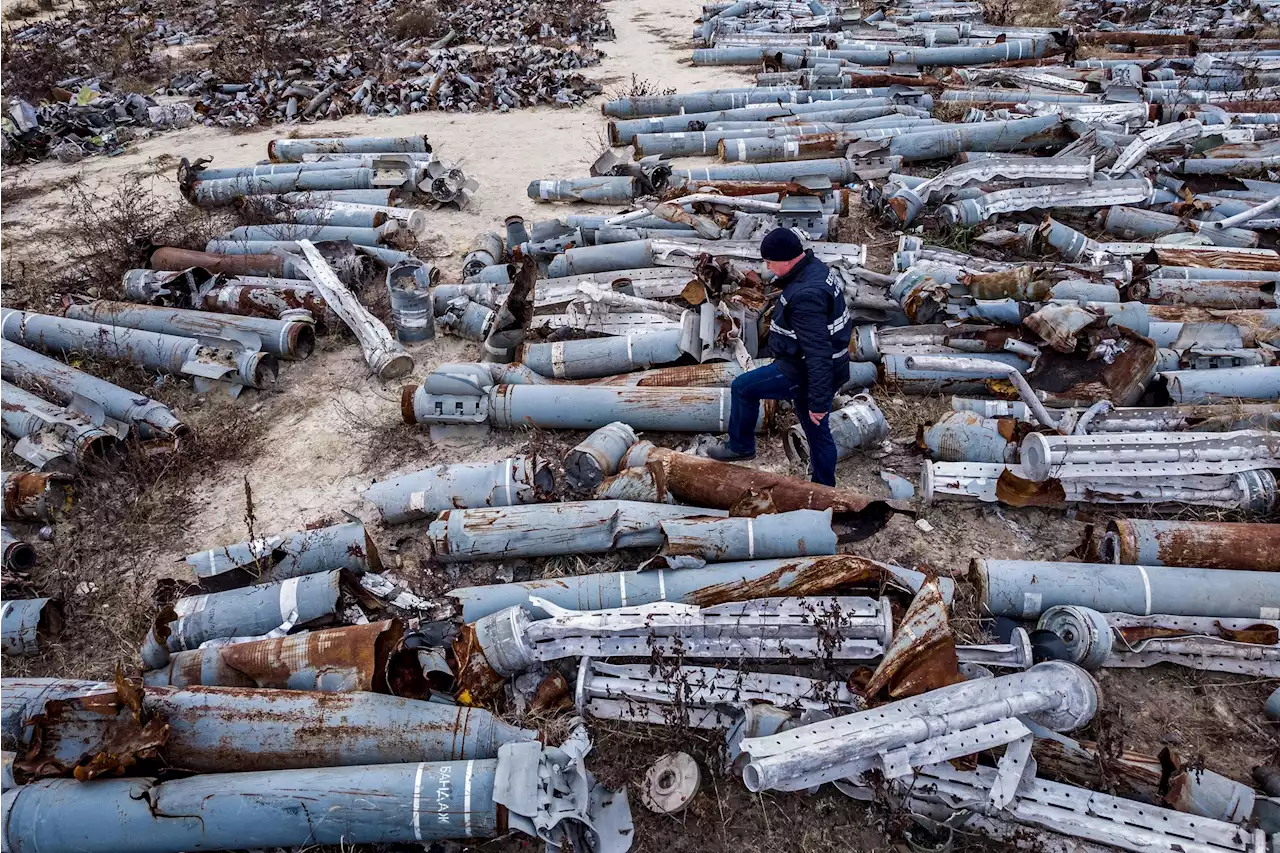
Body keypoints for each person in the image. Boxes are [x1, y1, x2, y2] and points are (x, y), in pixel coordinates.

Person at [706, 227, 851, 486]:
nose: (768, 268)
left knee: (743, 387)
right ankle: (824, 488)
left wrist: (818, 400)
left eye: (770, 262)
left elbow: (818, 353)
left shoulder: (806, 296)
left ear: (786, 258)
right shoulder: (815, 269)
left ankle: (740, 446)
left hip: (803, 371)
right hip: (820, 367)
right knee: (817, 432)